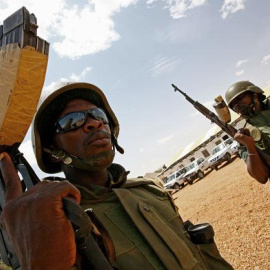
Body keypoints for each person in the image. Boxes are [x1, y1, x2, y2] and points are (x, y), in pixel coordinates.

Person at [0, 82, 233, 270]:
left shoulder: (149, 190)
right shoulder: (55, 222)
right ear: (53, 151)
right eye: (71, 122)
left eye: (97, 114)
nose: (93, 123)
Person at [225, 80, 270, 184]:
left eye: (240, 99)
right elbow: (261, 178)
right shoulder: (244, 135)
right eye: (233, 105)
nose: (237, 105)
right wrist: (249, 145)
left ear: (254, 94)